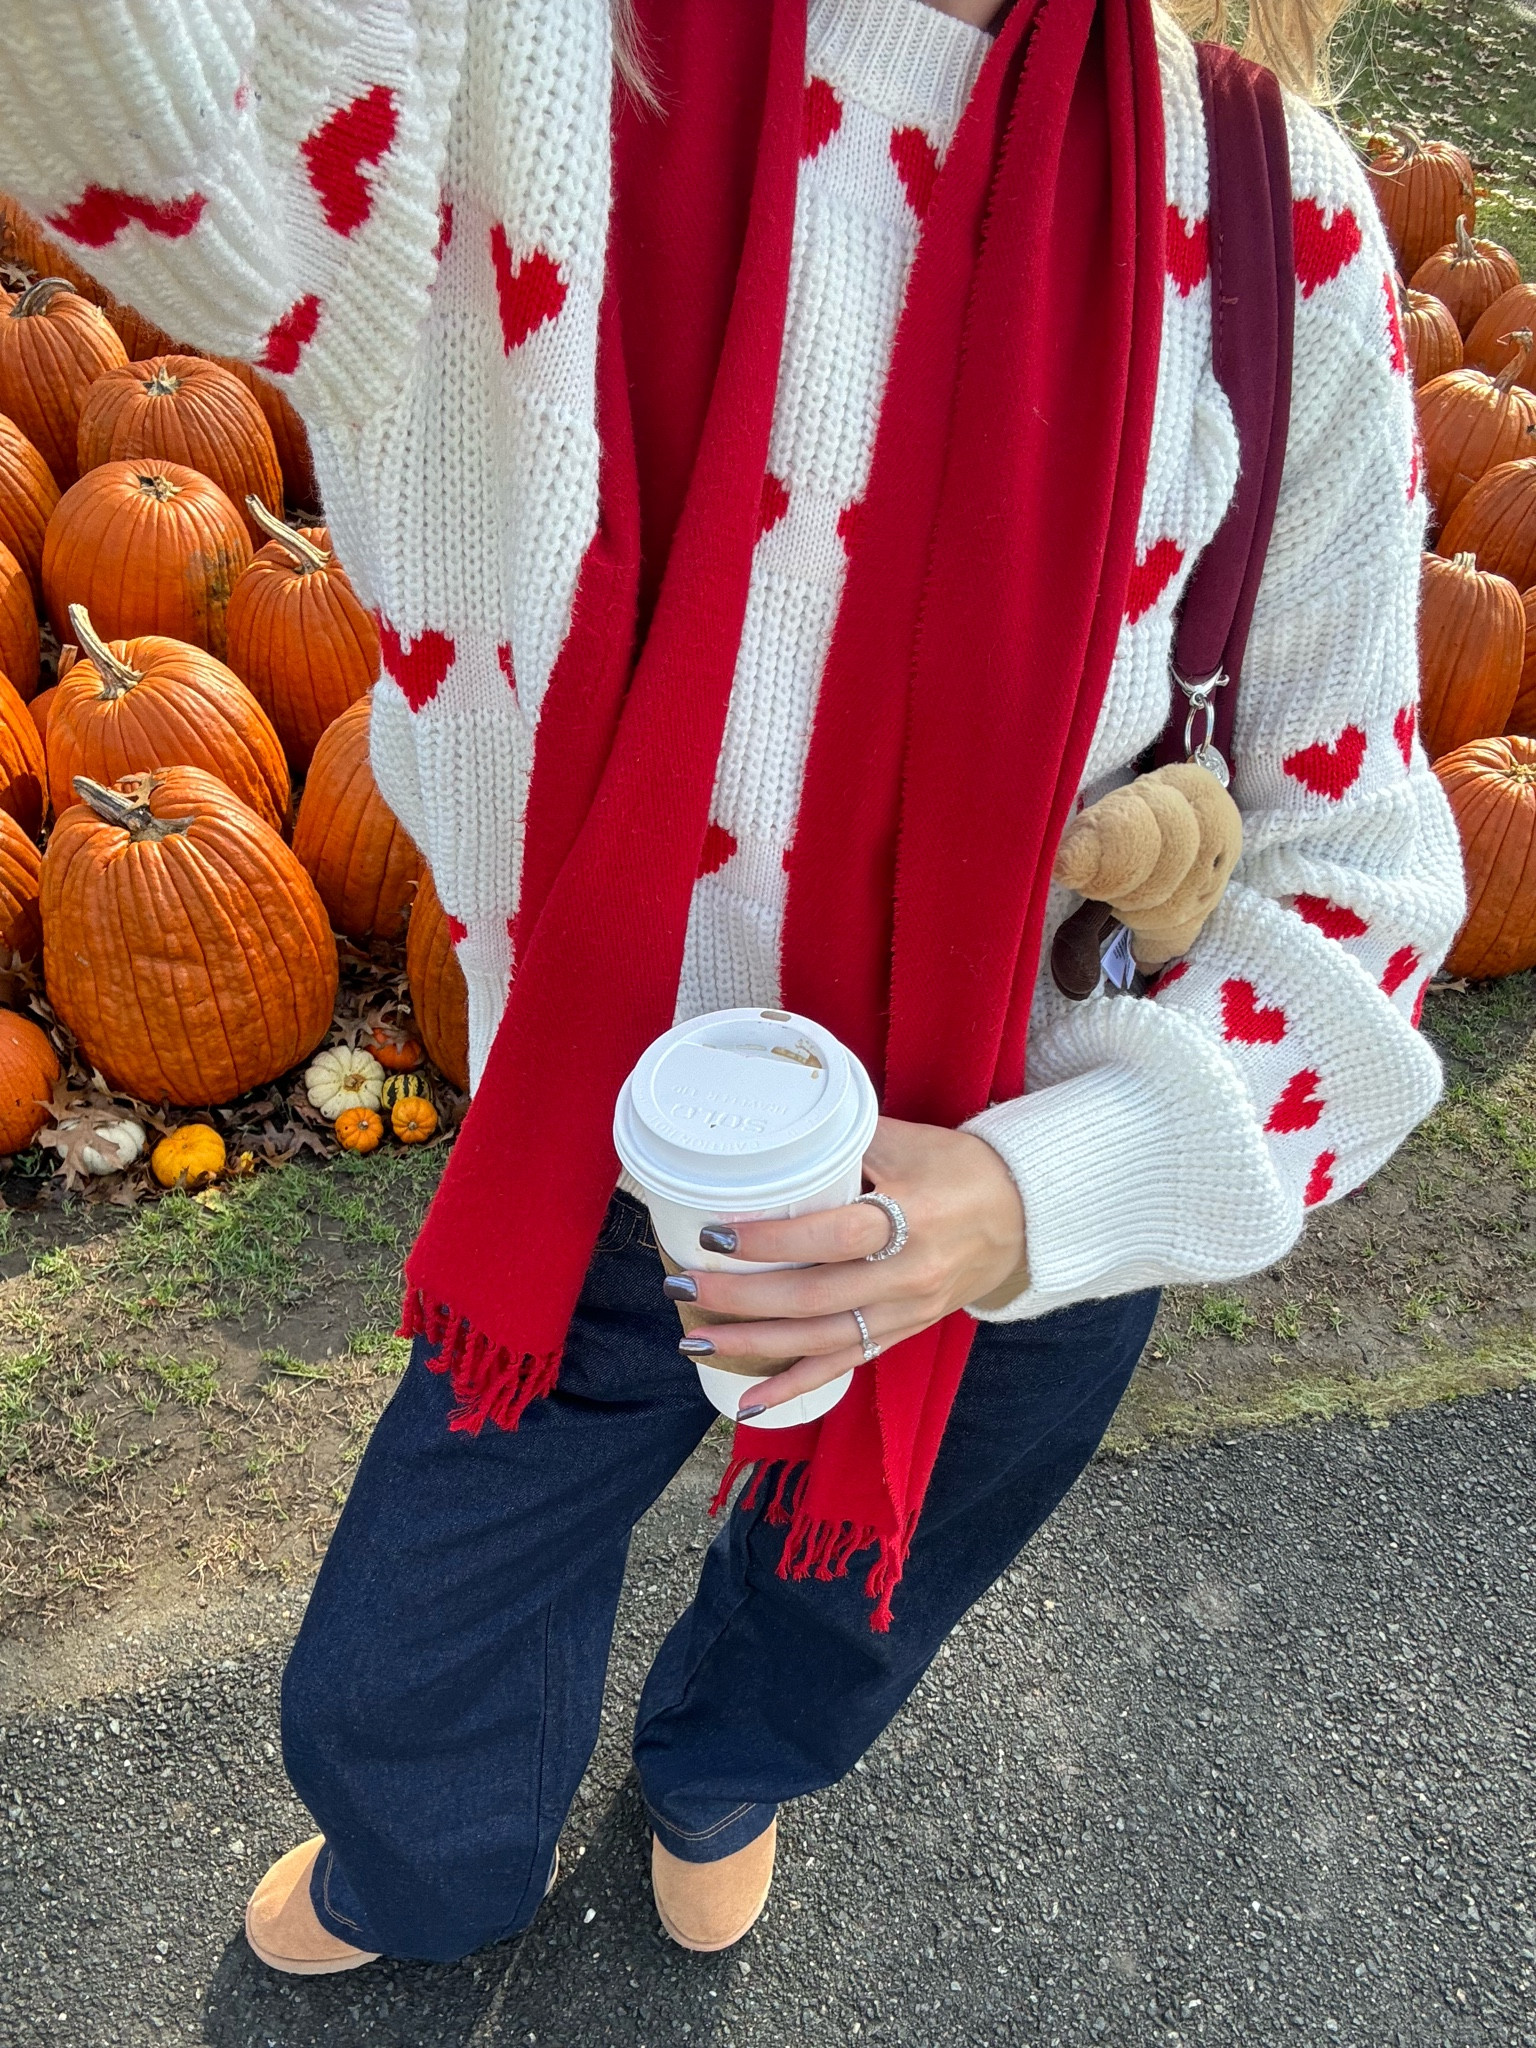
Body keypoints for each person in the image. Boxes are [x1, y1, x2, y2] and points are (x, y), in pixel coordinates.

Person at [0, 0, 1464, 1971]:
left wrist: (1035, 1196)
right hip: (606, 1138)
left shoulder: (1270, 221)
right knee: (404, 1641)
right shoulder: (529, 49)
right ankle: (421, 1855)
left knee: (844, 1611)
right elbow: (176, 140)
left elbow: (1355, 885)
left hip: (1009, 1190)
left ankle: (720, 1766)